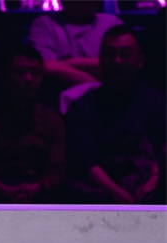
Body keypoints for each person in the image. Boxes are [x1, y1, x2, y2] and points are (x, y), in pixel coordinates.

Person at [65, 25, 166, 204]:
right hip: (101, 194)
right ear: (101, 60)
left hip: (152, 189)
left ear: (140, 61)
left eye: (125, 55)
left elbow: (163, 148)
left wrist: (153, 181)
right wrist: (117, 194)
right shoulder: (81, 108)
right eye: (110, 54)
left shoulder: (158, 103)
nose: (117, 61)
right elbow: (85, 162)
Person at [0, 45, 66, 204]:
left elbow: (58, 168)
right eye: (20, 72)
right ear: (4, 75)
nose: (29, 79)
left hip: (39, 197)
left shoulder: (52, 120)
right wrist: (0, 188)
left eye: (35, 73)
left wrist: (39, 187)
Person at [28, 0, 122, 106]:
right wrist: (93, 83)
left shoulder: (111, 23)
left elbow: (119, 63)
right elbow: (47, 67)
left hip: (109, 103)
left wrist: (66, 64)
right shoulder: (44, 24)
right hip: (56, 105)